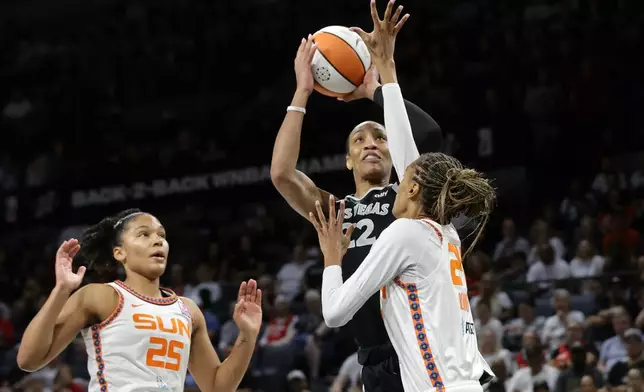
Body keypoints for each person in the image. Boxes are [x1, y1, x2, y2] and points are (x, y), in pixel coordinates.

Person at [270, 0, 441, 390]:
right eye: (359, 140)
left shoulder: (411, 195)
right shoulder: (336, 211)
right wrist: (302, 92)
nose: (370, 144)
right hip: (375, 359)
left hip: (421, 344)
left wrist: (373, 90)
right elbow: (281, 173)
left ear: (393, 147)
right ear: (347, 160)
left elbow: (429, 135)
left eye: (380, 136)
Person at [17, 209, 262, 392]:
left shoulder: (188, 310)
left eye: (161, 236)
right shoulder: (100, 296)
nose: (158, 241)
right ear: (119, 253)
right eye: (144, 234)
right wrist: (61, 290)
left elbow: (217, 387)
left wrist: (247, 336)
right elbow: (29, 359)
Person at [310, 151, 496, 391]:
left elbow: (335, 313)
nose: (396, 191)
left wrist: (332, 258)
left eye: (403, 182)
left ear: (413, 190)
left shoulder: (406, 232)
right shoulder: (449, 235)